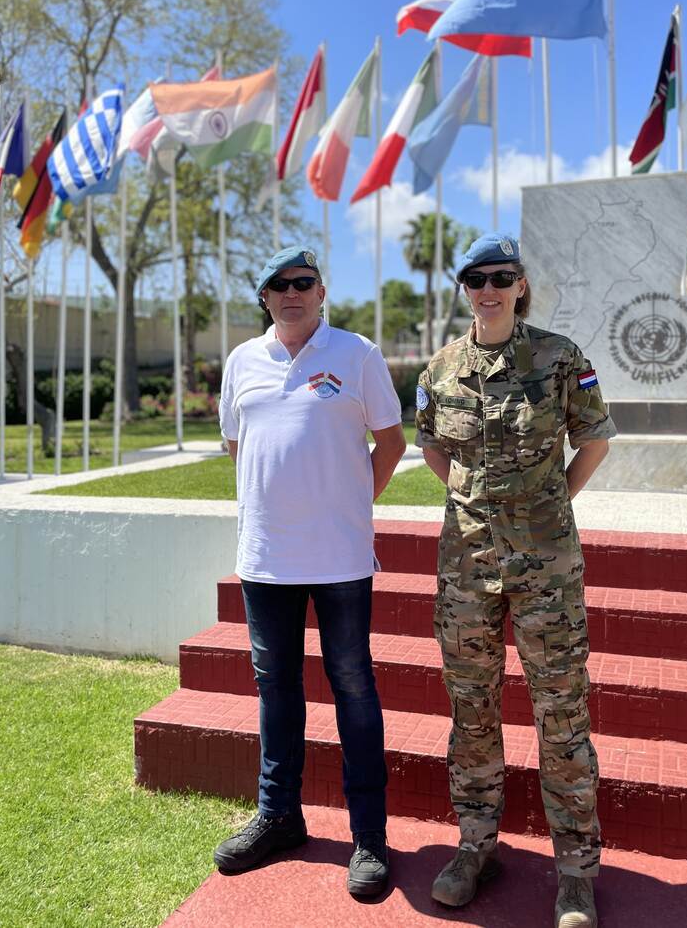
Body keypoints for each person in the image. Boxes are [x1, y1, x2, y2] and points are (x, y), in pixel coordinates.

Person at [415, 233, 615, 928]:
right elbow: (433, 446)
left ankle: (577, 874)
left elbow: (594, 439)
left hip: (547, 572)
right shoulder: (440, 369)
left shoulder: (560, 358)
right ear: (464, 286)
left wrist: (550, 500)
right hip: (467, 568)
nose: (489, 287)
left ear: (521, 284)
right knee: (472, 714)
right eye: (476, 277)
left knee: (562, 717)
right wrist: (480, 504)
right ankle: (475, 847)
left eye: (502, 275)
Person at [214, 246, 406, 898]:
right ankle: (279, 816)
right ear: (265, 297)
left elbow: (393, 440)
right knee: (276, 688)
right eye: (279, 284)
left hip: (341, 557)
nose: (291, 292)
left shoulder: (357, 355)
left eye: (303, 281)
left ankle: (370, 836)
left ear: (322, 291)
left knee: (353, 684)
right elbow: (238, 448)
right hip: (266, 558)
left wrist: (351, 503)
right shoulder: (242, 362)